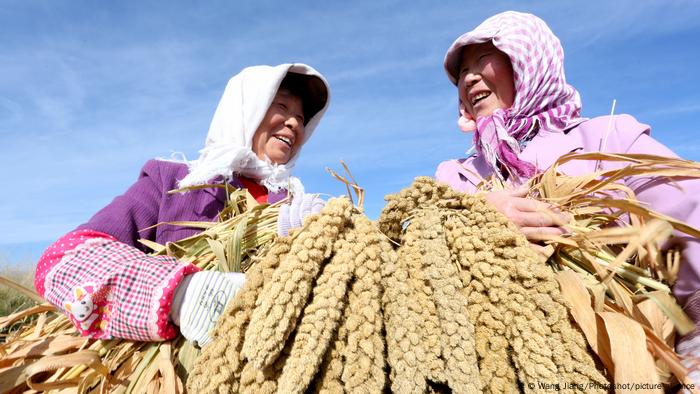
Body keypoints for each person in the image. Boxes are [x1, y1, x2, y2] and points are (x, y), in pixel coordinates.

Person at [435, 11, 700, 379]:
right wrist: (474, 215)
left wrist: (695, 342)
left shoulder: (609, 141)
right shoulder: (455, 176)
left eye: (482, 60)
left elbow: (690, 221)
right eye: (462, 72)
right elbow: (410, 240)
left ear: (527, 62)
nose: (469, 77)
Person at [34, 63, 329, 347]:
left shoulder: (297, 206)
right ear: (246, 108)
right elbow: (61, 261)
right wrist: (181, 296)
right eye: (282, 107)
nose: (294, 122)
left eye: (302, 119)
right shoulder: (175, 182)